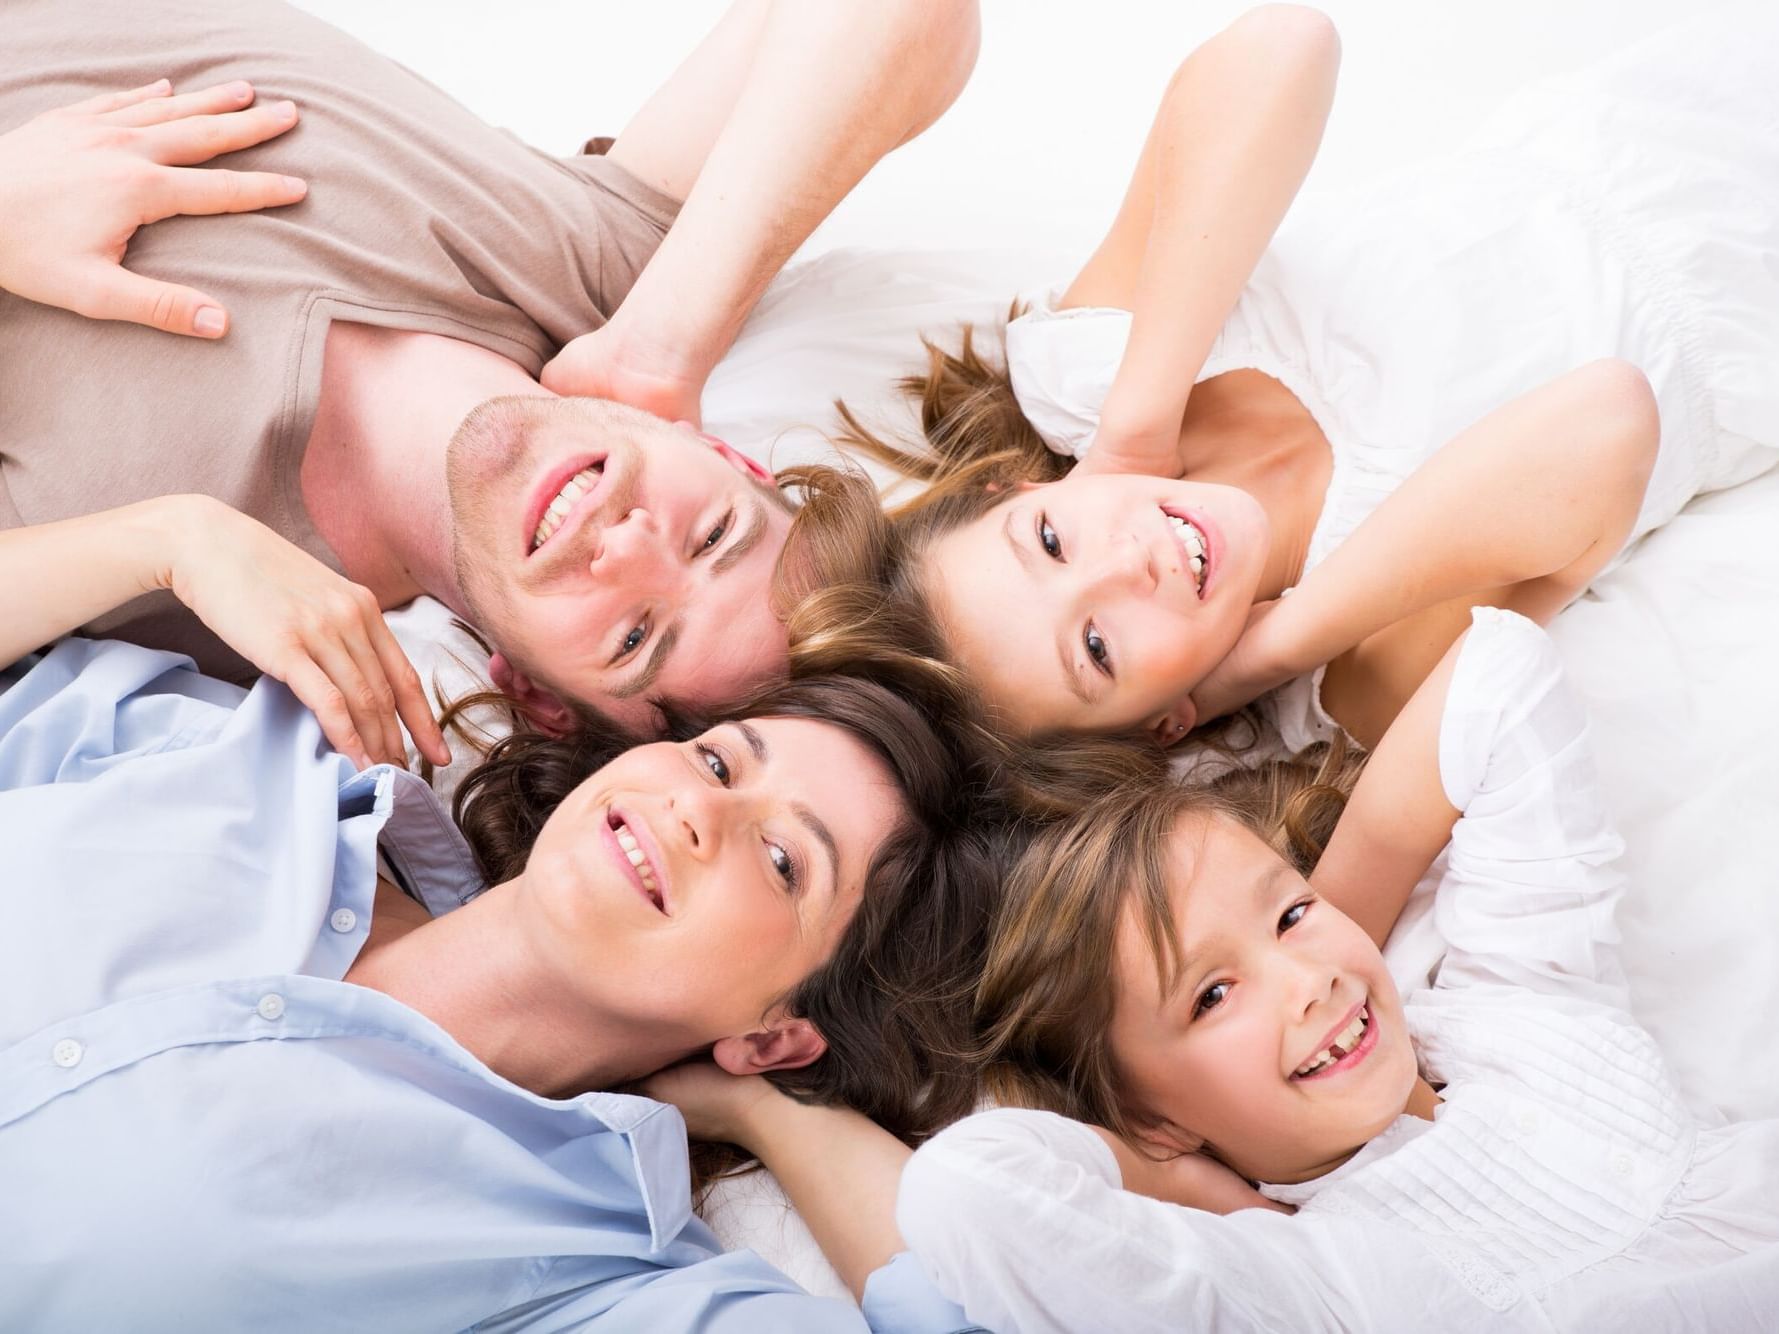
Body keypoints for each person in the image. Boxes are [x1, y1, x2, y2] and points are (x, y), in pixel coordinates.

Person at [0, 497, 1001, 1331]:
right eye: (718, 759)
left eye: (783, 860)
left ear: (778, 1030)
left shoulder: (587, 1266)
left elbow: (995, 1299)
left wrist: (769, 1114)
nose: (696, 809)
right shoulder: (260, 759)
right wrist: (170, 537)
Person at [648, 611, 1779, 1331]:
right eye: (1211, 994)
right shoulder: (1299, 1279)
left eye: (1289, 913)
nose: (1305, 982)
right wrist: (1164, 1170)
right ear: (1151, 1110)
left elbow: (1500, 672)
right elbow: (972, 1195)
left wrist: (1332, 922)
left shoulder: (1517, 1005)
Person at [794, 9, 1778, 767]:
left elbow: (1285, 45)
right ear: (1162, 723)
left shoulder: (1093, 377)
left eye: (1049, 540)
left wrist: (1137, 426)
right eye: (1097, 647)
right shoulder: (1351, 674)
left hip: (1641, 121)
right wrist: (1272, 651)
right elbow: (1608, 421)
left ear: (1023, 492)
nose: (1122, 564)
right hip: (1748, 315)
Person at [0, 0, 979, 760]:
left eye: (636, 635)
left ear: (537, 693)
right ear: (720, 450)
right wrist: (660, 348)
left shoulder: (208, 581)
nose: (627, 543)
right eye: (713, 531)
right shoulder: (593, 269)